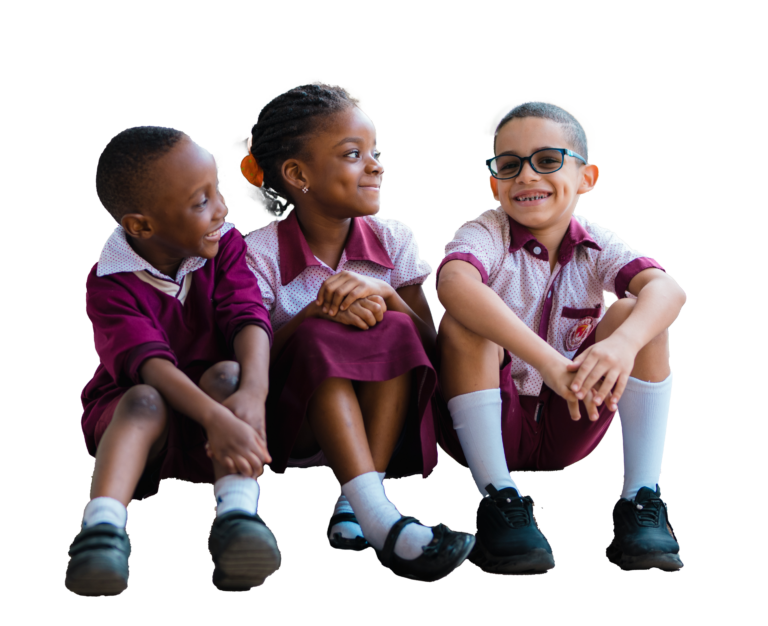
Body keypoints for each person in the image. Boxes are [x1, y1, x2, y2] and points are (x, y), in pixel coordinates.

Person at [234, 80, 474, 582]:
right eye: (353, 154)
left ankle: (357, 498)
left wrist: (388, 297)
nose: (376, 165)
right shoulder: (256, 252)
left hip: (379, 429)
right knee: (320, 337)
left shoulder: (396, 238)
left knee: (393, 326)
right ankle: (381, 517)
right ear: (298, 174)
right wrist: (311, 317)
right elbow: (244, 364)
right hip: (295, 429)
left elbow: (432, 353)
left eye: (376, 152)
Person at [435, 101, 686, 574]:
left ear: (587, 178)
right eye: (509, 165)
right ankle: (498, 497)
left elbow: (668, 289)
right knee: (466, 317)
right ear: (494, 183)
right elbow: (453, 284)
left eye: (547, 160)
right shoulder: (486, 231)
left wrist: (621, 343)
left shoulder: (596, 243)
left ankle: (641, 499)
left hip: (570, 414)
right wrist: (549, 361)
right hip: (487, 421)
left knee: (640, 314)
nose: (527, 176)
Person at [67, 126, 281, 597]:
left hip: (216, 413)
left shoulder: (224, 244)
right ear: (142, 226)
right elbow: (149, 364)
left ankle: (238, 520)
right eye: (200, 202)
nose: (223, 208)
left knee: (230, 373)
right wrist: (216, 417)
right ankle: (101, 532)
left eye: (217, 190)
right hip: (143, 426)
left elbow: (248, 316)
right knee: (144, 399)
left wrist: (251, 394)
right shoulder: (109, 281)